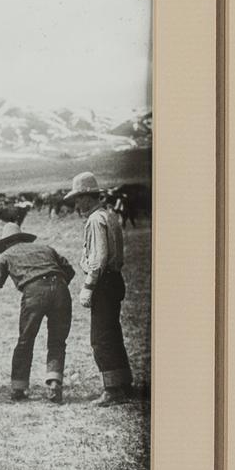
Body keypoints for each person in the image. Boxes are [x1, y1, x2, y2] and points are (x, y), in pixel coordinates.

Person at [0, 205, 77, 403]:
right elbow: (69, 271)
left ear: (5, 243)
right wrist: (56, 286)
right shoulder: (46, 248)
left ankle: (19, 388)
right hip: (61, 290)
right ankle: (55, 382)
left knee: (25, 340)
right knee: (57, 341)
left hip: (34, 293)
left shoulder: (5, 255)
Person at [70, 170, 133, 406]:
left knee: (101, 338)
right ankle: (124, 383)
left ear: (87, 196)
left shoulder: (96, 220)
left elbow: (99, 258)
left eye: (78, 198)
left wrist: (88, 285)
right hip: (114, 279)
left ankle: (112, 389)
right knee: (113, 334)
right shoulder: (110, 216)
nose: (76, 203)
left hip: (103, 282)